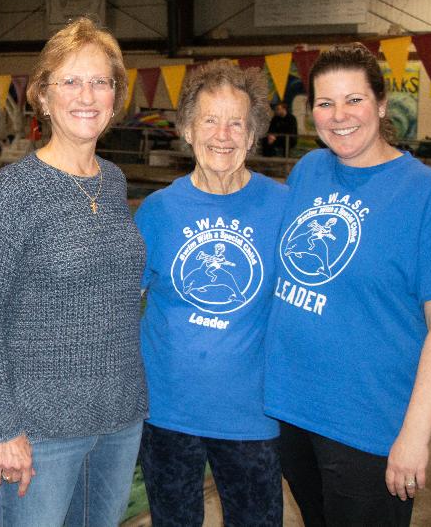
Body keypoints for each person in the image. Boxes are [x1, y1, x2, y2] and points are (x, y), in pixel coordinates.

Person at [264, 43, 431, 526]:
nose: (339, 116)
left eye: (354, 100)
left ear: (382, 104)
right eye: (325, 103)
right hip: (290, 408)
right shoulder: (309, 170)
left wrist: (415, 435)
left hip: (366, 423)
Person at [0, 16, 147, 526]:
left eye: (100, 82)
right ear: (43, 97)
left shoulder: (113, 180)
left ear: (115, 96)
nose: (87, 95)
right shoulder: (14, 190)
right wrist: (5, 429)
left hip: (120, 418)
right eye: (70, 81)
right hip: (41, 431)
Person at [135, 59, 284, 526]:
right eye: (209, 121)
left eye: (236, 123)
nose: (223, 135)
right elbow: (116, 308)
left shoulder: (284, 207)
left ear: (253, 134)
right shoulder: (157, 211)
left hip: (252, 415)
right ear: (186, 129)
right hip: (166, 413)